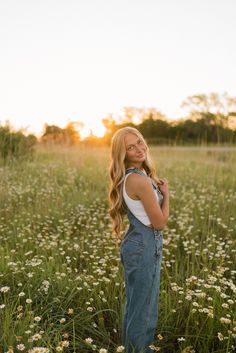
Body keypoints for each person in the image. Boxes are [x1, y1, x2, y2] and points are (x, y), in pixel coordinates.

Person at [108, 127, 169, 353]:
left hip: (136, 242)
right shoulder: (138, 180)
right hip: (145, 244)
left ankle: (132, 348)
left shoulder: (134, 176)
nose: (139, 149)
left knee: (137, 304)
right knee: (144, 309)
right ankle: (139, 350)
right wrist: (167, 194)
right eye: (130, 147)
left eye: (140, 142)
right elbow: (160, 223)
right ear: (122, 154)